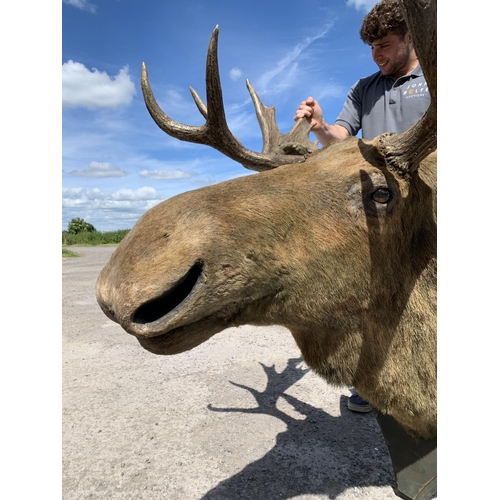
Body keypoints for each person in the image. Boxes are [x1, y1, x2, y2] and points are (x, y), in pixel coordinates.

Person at [294, 0, 431, 413]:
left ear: (410, 37)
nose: (377, 55)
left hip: (431, 201)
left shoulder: (439, 77)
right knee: (376, 294)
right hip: (377, 208)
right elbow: (342, 136)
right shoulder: (363, 88)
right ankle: (370, 382)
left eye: (385, 45)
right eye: (372, 48)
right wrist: (319, 126)